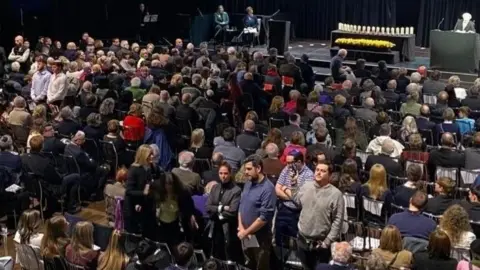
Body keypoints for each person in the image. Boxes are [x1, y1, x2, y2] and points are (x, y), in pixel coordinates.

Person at [287, 161, 344, 269]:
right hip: (302, 240)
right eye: (317, 170)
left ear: (330, 175)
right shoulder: (306, 186)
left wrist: (327, 242)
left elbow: (338, 220)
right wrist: (294, 184)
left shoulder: (336, 194)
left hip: (320, 244)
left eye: (323, 171)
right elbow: (297, 201)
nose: (318, 173)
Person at [238, 155, 276, 270]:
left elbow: (263, 218)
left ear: (258, 169)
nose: (245, 172)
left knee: (261, 266)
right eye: (245, 169)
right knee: (248, 264)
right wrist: (241, 228)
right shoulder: (248, 183)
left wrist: (246, 232)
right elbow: (241, 206)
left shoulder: (268, 189)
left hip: (260, 238)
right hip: (245, 234)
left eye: (249, 169)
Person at [206, 161, 242, 262]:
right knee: (216, 250)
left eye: (226, 173)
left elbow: (233, 211)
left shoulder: (236, 190)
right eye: (221, 173)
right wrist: (222, 208)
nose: (223, 176)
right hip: (215, 224)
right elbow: (208, 207)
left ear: (230, 174)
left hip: (228, 226)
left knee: (228, 251)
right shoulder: (215, 187)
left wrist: (216, 210)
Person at [152, 172, 197, 246]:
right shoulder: (158, 191)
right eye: (166, 184)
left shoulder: (181, 193)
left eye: (171, 184)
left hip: (175, 224)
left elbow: (188, 207)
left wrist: (191, 216)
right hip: (161, 224)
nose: (169, 187)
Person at [123, 145, 155, 238]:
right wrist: (143, 193)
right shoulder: (134, 170)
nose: (152, 156)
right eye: (150, 154)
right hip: (133, 207)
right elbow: (128, 191)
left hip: (145, 204)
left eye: (152, 154)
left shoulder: (150, 167)